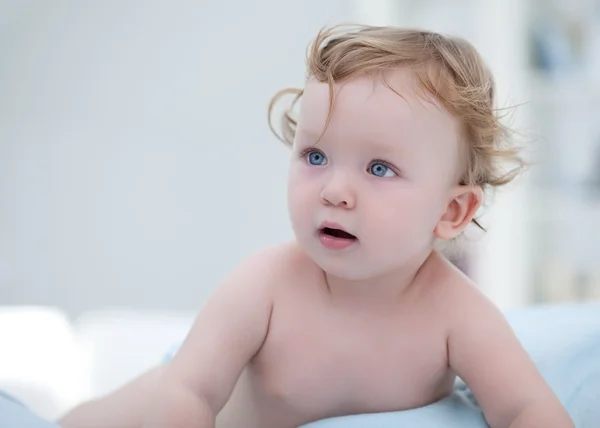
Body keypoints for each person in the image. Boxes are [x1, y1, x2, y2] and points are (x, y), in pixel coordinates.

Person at [58, 24, 574, 428]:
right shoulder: (267, 283)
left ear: (451, 211)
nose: (334, 190)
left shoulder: (458, 313)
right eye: (316, 155)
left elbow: (525, 409)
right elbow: (189, 393)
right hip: (184, 393)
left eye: (379, 169)